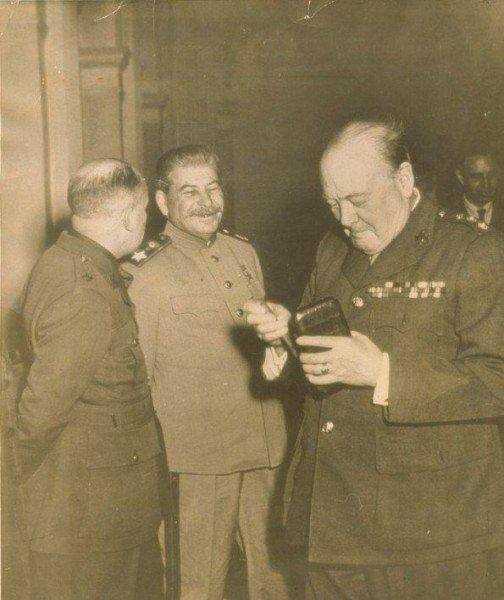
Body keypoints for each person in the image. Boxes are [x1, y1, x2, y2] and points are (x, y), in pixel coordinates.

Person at [245, 120, 504, 599]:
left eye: (358, 201)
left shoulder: (476, 255)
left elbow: (496, 379)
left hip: (427, 536)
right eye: (332, 203)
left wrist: (383, 374)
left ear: (404, 182)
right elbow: (323, 367)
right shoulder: (330, 252)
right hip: (332, 523)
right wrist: (285, 343)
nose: (344, 218)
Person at [126, 145, 290, 600]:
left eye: (213, 188)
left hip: (264, 444)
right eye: (190, 191)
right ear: (164, 204)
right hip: (198, 458)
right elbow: (139, 378)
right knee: (198, 585)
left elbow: (267, 342)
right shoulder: (144, 273)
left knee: (275, 579)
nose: (206, 202)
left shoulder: (244, 253)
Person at [12, 159, 165, 600]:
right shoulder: (84, 290)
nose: (145, 220)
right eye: (141, 210)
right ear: (122, 215)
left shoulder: (66, 259)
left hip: (99, 499)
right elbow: (38, 416)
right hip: (91, 508)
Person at [452, 150, 503, 231]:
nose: (486, 184)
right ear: (461, 178)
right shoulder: (448, 213)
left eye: (491, 176)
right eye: (477, 177)